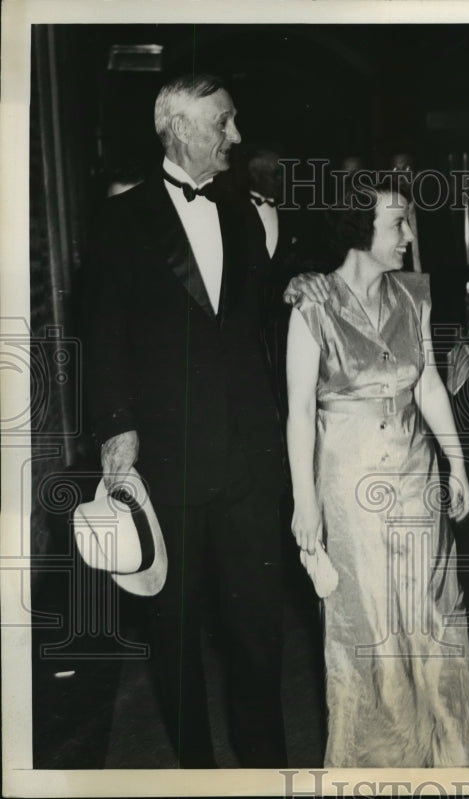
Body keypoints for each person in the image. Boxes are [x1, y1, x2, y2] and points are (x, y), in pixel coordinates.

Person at [83, 73, 288, 768]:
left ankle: (266, 770)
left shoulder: (245, 212)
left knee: (258, 632)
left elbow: (264, 321)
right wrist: (116, 423)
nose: (236, 135)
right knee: (174, 633)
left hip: (250, 459)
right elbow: (101, 332)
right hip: (168, 460)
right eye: (222, 123)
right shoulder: (121, 220)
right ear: (176, 129)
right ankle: (197, 770)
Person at [284, 176, 469, 767]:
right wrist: (305, 504)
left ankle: (448, 768)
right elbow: (298, 413)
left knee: (433, 619)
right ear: (358, 229)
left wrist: (456, 461)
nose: (409, 235)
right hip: (349, 489)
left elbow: (429, 383)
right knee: (369, 629)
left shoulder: (414, 296)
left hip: (416, 480)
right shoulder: (313, 303)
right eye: (398, 223)